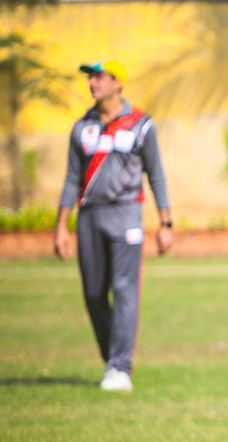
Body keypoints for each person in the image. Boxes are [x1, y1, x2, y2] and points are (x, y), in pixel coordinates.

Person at [53, 60, 173, 392]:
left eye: (99, 77)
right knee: (94, 294)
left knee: (124, 290)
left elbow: (156, 175)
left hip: (126, 214)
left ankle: (120, 366)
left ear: (118, 82)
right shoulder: (82, 127)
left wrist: (166, 222)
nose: (92, 83)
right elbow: (71, 178)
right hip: (90, 216)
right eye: (90, 78)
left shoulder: (141, 124)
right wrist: (61, 226)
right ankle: (112, 360)